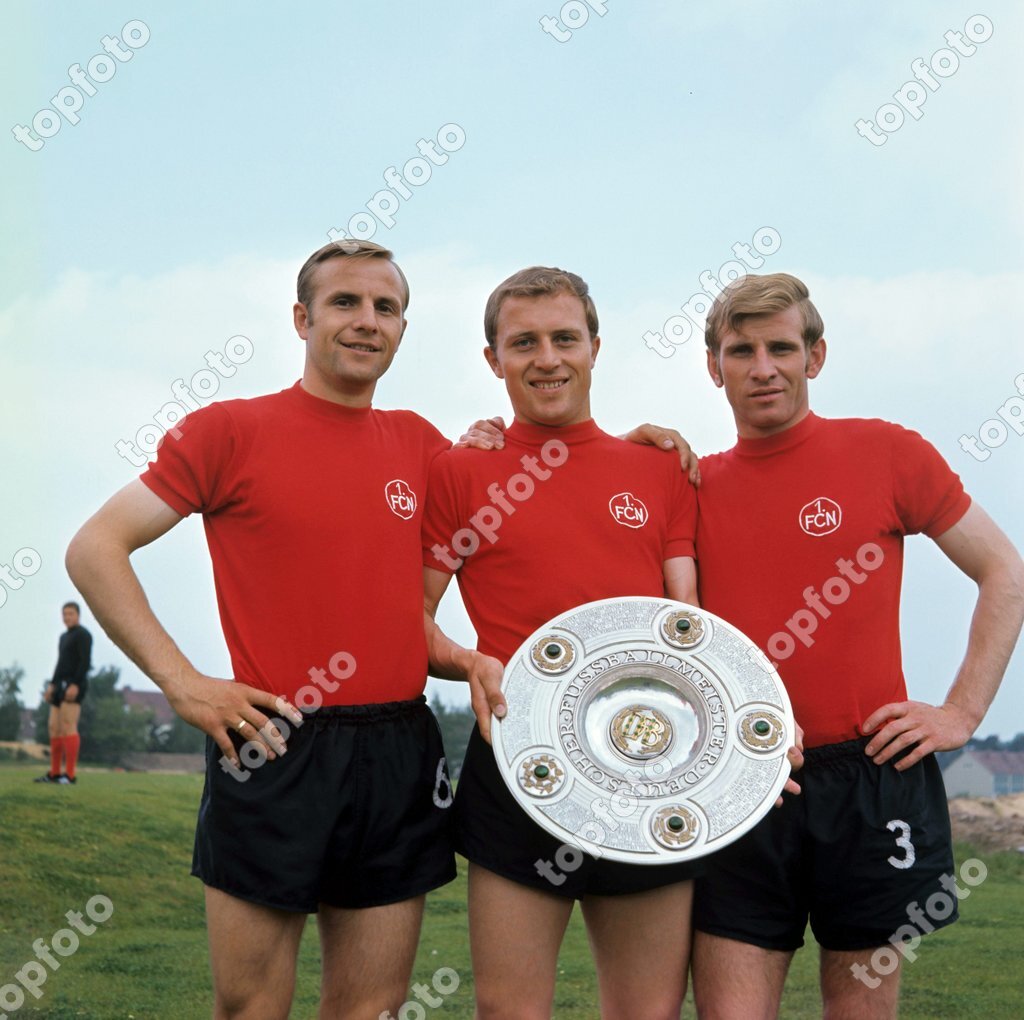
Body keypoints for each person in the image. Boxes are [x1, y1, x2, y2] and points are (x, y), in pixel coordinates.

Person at [65, 241, 465, 1020]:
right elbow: (94, 548)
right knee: (251, 1006)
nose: (366, 321)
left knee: (373, 1009)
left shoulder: (423, 445)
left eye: (385, 307)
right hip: (272, 739)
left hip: (397, 748)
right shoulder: (229, 431)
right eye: (345, 302)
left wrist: (646, 450)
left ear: (404, 327)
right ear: (302, 317)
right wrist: (183, 683)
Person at [422, 266, 786, 1020]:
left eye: (564, 338)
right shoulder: (459, 473)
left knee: (645, 1011)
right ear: (494, 360)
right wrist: (466, 660)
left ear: (595, 347)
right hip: (519, 765)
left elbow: (694, 632)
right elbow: (408, 623)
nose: (547, 357)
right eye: (523, 342)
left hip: (652, 767)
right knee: (510, 1010)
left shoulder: (658, 469)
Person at [689, 273, 1024, 1019]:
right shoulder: (691, 484)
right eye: (741, 350)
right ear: (715, 366)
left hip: (873, 776)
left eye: (782, 347)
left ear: (817, 355)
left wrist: (961, 711)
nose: (763, 366)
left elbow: (1004, 571)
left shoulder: (886, 452)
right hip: (746, 782)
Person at [34, 601, 92, 785]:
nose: (67, 617)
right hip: (59, 685)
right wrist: (51, 685)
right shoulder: (63, 637)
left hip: (75, 685)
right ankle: (54, 773)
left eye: (71, 614)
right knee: (53, 727)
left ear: (78, 615)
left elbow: (85, 662)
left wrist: (75, 684)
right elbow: (60, 663)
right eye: (65, 614)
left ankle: (70, 775)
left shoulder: (83, 635)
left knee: (68, 725)